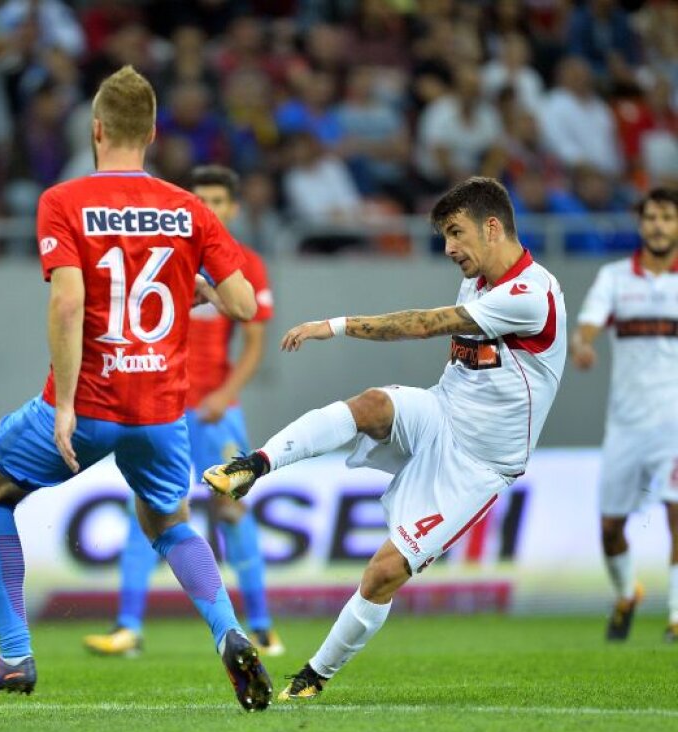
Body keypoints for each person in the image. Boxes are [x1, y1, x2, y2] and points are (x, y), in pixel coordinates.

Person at [0, 66, 271, 711]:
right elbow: (241, 304)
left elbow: (68, 302)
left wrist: (66, 405)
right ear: (153, 133)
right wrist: (201, 275)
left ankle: (15, 654)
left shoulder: (63, 201)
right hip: (161, 411)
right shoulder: (189, 209)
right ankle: (230, 633)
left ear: (96, 129)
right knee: (170, 522)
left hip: (92, 401)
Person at [204, 177, 566, 701]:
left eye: (455, 234)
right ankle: (254, 466)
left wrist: (337, 325)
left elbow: (424, 325)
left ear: (493, 228)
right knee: (371, 404)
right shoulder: (480, 279)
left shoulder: (530, 294)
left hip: (479, 463)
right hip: (440, 412)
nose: (449, 249)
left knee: (383, 574)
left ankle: (313, 676)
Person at [83, 164, 282, 658]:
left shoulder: (246, 266)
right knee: (145, 513)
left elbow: (255, 344)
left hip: (218, 412)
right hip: (162, 409)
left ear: (232, 208)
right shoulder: (165, 258)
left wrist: (224, 393)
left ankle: (260, 626)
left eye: (218, 200)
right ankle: (127, 627)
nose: (209, 209)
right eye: (201, 200)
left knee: (233, 510)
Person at [570, 187, 678, 643]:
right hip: (626, 425)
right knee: (611, 529)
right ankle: (626, 593)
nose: (658, 225)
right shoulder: (615, 277)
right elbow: (588, 324)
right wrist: (584, 343)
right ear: (641, 224)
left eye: (667, 218)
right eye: (651, 217)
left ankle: (675, 616)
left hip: (674, 424)